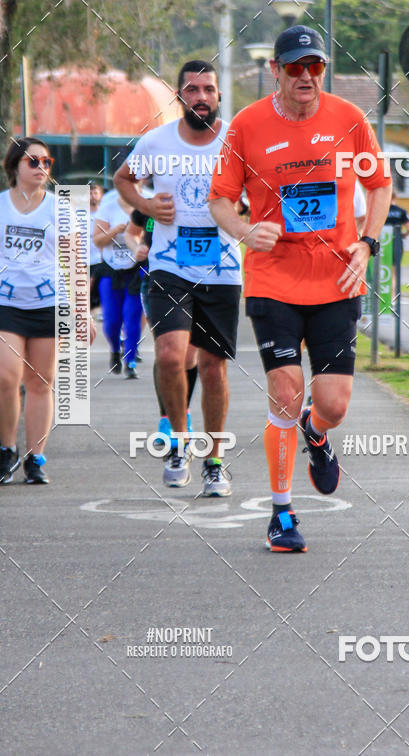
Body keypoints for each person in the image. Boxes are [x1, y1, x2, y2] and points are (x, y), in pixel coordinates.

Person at [209, 24, 392, 552]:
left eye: (315, 66)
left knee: (333, 404)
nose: (306, 75)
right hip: (273, 279)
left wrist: (367, 243)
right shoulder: (247, 126)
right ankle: (281, 513)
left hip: (336, 279)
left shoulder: (349, 119)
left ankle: (317, 430)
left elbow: (379, 186)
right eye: (295, 67)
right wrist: (245, 230)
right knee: (286, 393)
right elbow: (219, 200)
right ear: (276, 71)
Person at [113, 59, 241, 496]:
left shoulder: (235, 140)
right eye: (192, 89)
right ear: (179, 96)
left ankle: (214, 462)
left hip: (222, 268)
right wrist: (147, 206)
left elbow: (261, 189)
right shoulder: (157, 141)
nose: (201, 97)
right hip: (169, 266)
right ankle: (178, 445)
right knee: (170, 356)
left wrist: (247, 216)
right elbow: (123, 179)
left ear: (218, 95)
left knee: (212, 366)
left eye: (208, 89)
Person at [0, 137, 95, 485]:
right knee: (5, 377)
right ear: (14, 165)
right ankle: (7, 449)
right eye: (33, 161)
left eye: (46, 162)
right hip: (3, 303)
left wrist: (83, 312)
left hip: (49, 303)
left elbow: (76, 265)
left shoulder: (60, 209)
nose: (41, 168)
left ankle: (35, 458)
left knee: (40, 382)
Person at [124, 209, 198, 441]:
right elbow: (131, 232)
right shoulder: (148, 206)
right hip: (156, 283)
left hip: (196, 281)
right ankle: (167, 420)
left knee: (189, 355)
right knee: (168, 350)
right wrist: (137, 247)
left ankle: (184, 414)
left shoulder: (196, 204)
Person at [93, 185, 143, 379]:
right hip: (110, 270)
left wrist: (139, 237)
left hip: (136, 270)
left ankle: (130, 362)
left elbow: (153, 235)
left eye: (135, 185)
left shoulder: (145, 207)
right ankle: (115, 349)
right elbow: (98, 241)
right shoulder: (108, 207)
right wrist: (114, 231)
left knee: (132, 317)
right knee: (112, 320)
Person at [384, 190, 409, 295]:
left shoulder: (381, 211)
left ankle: (381, 295)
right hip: (396, 242)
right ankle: (392, 296)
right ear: (395, 197)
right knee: (394, 272)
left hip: (383, 242)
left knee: (382, 269)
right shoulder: (401, 211)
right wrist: (403, 235)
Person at [88, 180, 104, 313]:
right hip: (83, 259)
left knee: (93, 287)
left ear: (100, 195)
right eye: (90, 193)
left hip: (100, 259)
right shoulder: (78, 214)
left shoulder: (104, 215)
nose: (93, 196)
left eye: (95, 193)